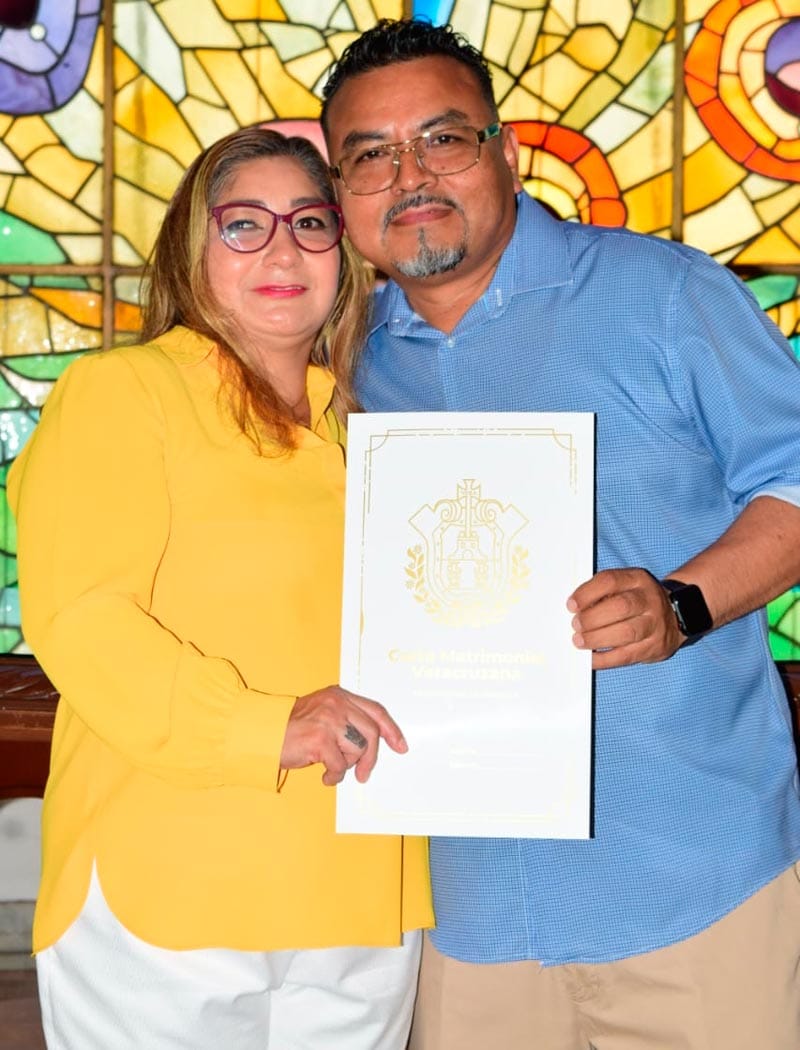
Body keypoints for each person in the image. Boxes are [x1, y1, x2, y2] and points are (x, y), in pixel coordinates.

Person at [320, 18, 800, 1050]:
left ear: (503, 151)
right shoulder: (342, 365)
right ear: (342, 194)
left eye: (442, 139)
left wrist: (681, 604)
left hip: (690, 877)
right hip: (465, 904)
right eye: (370, 155)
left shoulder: (664, 296)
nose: (410, 176)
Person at [8, 125, 432, 1050]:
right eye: (244, 224)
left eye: (310, 222)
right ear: (190, 250)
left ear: (344, 254)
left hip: (360, 885)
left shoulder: (371, 432)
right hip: (172, 885)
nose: (283, 249)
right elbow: (83, 619)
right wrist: (267, 726)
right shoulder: (124, 392)